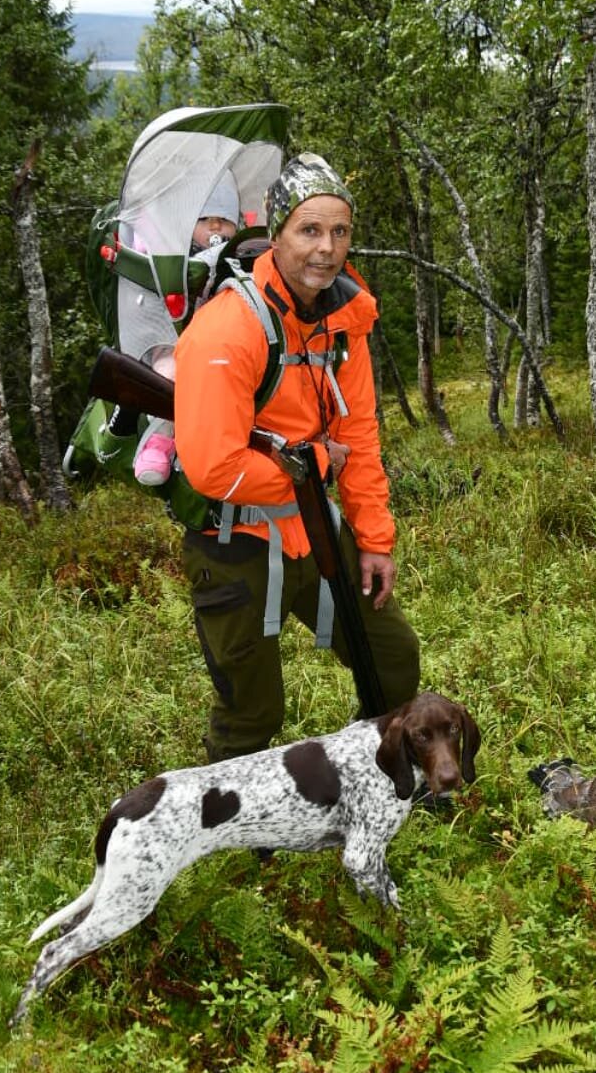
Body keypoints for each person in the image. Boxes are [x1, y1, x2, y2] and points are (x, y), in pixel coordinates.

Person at [172, 151, 421, 760]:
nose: (326, 248)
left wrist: (375, 539)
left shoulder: (344, 321)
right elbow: (214, 468)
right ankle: (239, 837)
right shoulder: (229, 328)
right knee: (252, 711)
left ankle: (369, 780)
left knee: (391, 660)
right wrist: (318, 464)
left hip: (312, 527)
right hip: (233, 539)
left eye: (340, 232)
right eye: (309, 230)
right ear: (275, 235)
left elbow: (358, 434)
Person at [133, 172, 241, 486]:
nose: (216, 227)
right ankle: (159, 443)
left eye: (224, 218)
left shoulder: (244, 250)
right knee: (169, 377)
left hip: (225, 342)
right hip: (174, 338)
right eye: (205, 218)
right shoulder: (177, 255)